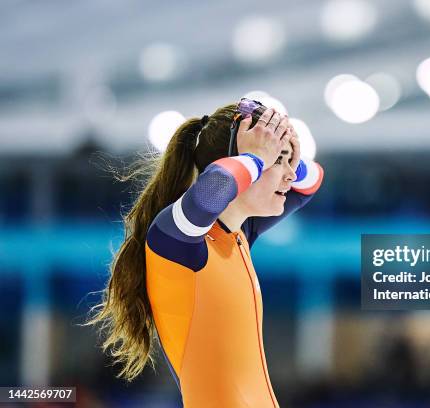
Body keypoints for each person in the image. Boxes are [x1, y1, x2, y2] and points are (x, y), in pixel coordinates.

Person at [86, 99, 324, 407]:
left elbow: (313, 180)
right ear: (241, 165)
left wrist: (284, 146)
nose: (290, 175)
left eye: (289, 161)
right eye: (277, 162)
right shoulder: (177, 244)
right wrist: (257, 157)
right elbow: (208, 195)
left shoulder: (238, 235)